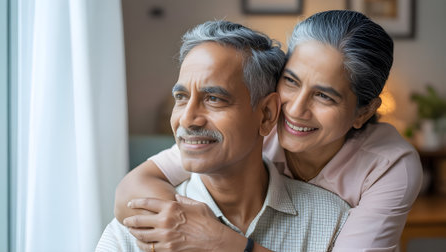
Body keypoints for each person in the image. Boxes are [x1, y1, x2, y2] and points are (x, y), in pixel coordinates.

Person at [116, 10, 423, 252]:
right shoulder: (260, 122)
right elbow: (136, 184)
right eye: (291, 80)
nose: (294, 108)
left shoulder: (389, 166)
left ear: (364, 111)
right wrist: (174, 220)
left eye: (324, 96)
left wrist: (220, 241)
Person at [97, 20, 350, 252]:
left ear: (266, 114)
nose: (187, 119)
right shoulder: (136, 229)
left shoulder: (333, 223)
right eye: (181, 98)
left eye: (214, 99)